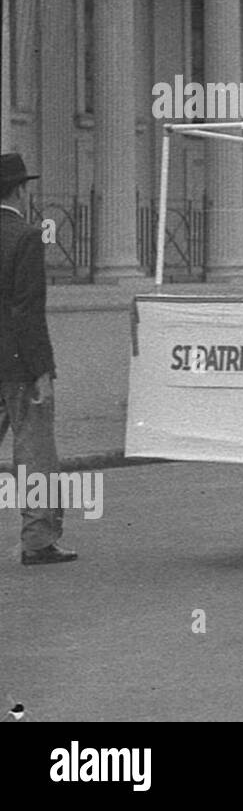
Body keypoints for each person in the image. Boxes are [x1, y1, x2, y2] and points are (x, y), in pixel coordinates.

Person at [0, 154, 76, 565]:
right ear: (20, 190)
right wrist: (42, 370)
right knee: (35, 455)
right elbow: (27, 310)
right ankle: (38, 540)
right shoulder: (26, 236)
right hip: (16, 365)